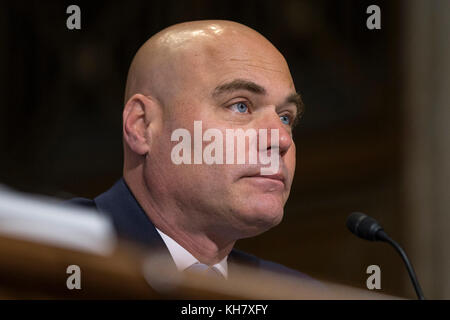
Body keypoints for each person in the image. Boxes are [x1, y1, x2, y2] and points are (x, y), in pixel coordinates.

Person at [68, 20, 312, 282]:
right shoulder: (49, 254)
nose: (281, 140)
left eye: (286, 117)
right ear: (142, 126)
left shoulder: (298, 293)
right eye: (241, 106)